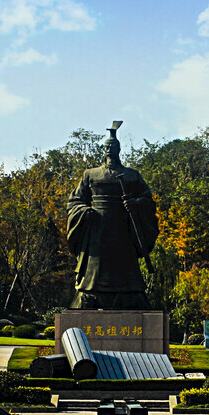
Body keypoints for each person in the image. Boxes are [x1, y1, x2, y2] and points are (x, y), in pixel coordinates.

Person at [66, 123, 158, 309]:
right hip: (97, 227)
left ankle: (129, 293)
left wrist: (135, 203)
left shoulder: (131, 175)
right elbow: (75, 201)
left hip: (122, 227)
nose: (110, 150)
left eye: (113, 147)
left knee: (124, 265)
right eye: (108, 147)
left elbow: (148, 200)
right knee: (95, 265)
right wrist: (84, 211)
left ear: (119, 150)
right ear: (104, 149)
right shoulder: (91, 175)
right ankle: (90, 292)